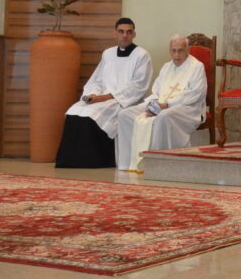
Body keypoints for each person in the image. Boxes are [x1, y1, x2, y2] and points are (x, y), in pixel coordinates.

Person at [55, 18, 152, 168]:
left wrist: (105, 97)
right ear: (115, 33)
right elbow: (97, 80)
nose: (124, 35)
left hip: (123, 100)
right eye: (121, 31)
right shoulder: (108, 54)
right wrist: (92, 95)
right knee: (74, 111)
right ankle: (69, 161)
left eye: (128, 32)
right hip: (101, 98)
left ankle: (92, 161)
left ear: (134, 34)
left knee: (91, 116)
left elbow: (138, 86)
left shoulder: (141, 55)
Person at [115, 34, 207, 172]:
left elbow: (194, 94)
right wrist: (152, 106)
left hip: (188, 109)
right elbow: (156, 91)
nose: (176, 55)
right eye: (173, 51)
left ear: (188, 50)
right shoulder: (166, 67)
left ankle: (159, 165)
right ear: (169, 51)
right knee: (125, 115)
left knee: (164, 116)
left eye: (180, 50)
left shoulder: (197, 67)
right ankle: (129, 163)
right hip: (161, 105)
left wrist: (167, 105)